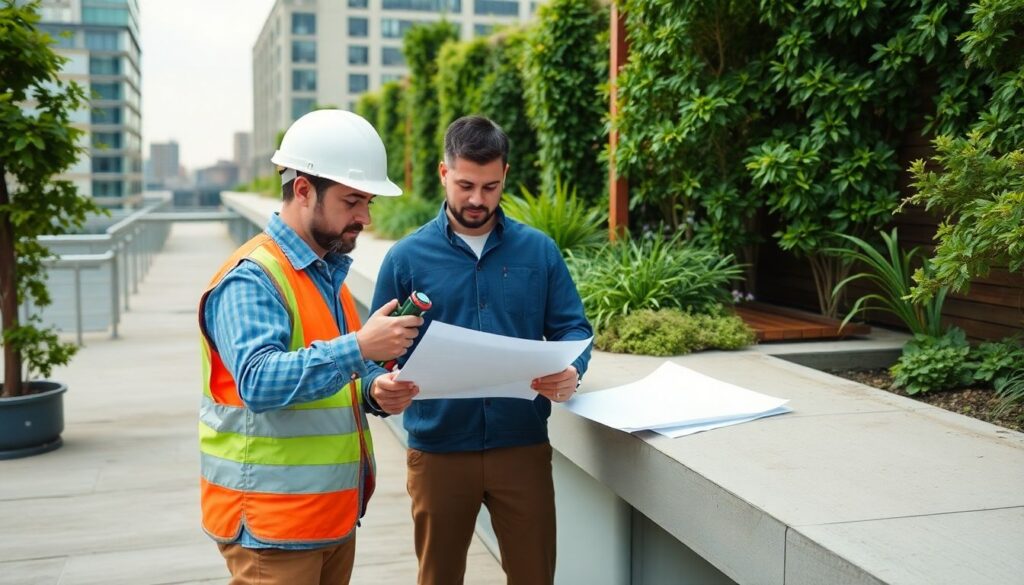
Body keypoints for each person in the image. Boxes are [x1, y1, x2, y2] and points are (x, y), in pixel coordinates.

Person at [198, 109, 422, 585]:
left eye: (368, 203)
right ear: (303, 190)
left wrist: (371, 392)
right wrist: (360, 345)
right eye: (352, 201)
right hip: (272, 529)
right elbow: (258, 382)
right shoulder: (253, 278)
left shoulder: (327, 273)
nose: (364, 216)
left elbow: (325, 383)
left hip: (329, 518)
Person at [369, 115, 593, 585]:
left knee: (535, 577)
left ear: (505, 175)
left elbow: (573, 329)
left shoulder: (540, 252)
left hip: (522, 448)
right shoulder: (406, 259)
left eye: (490, 187)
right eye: (466, 184)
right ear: (443, 173)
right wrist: (379, 385)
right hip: (438, 452)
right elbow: (375, 355)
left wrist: (572, 372)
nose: (477, 199)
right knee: (439, 578)